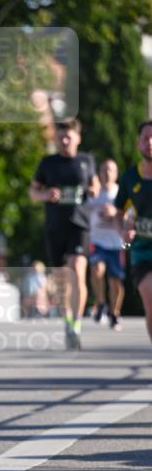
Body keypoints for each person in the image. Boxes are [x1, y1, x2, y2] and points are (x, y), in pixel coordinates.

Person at [29, 119, 100, 350]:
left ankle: (77, 324)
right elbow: (33, 191)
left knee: (78, 272)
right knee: (61, 279)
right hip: (55, 226)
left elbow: (96, 186)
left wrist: (93, 190)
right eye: (61, 137)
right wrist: (46, 195)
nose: (65, 140)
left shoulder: (86, 160)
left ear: (78, 138)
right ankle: (68, 319)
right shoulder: (47, 163)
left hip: (80, 224)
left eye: (69, 136)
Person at [105, 121, 152, 343]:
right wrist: (122, 229)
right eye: (146, 138)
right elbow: (117, 211)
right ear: (138, 143)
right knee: (150, 298)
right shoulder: (129, 178)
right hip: (142, 251)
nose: (150, 143)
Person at [88, 159, 125, 330]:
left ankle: (114, 313)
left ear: (116, 174)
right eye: (104, 169)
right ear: (99, 173)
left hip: (118, 244)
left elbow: (132, 218)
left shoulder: (121, 193)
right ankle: (101, 303)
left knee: (116, 281)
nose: (107, 173)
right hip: (97, 242)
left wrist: (115, 213)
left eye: (111, 170)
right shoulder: (94, 193)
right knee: (97, 270)